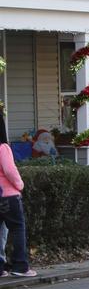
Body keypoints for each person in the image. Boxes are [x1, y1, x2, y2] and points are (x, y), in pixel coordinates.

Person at [1, 109, 35, 277]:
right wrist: (19, 184)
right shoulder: (3, 148)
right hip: (8, 195)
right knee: (17, 228)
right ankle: (20, 265)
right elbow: (9, 170)